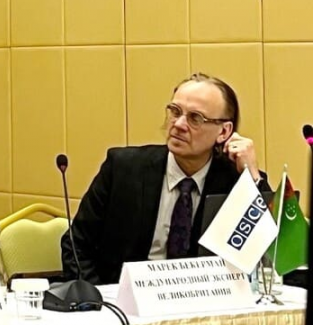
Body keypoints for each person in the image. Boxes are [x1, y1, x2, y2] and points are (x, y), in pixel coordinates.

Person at [61, 73, 271, 285]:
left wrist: (252, 177)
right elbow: (75, 245)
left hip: (204, 300)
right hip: (123, 297)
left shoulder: (235, 182)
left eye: (195, 118)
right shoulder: (123, 169)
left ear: (224, 131)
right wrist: (97, 296)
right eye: (175, 111)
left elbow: (272, 256)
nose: (178, 124)